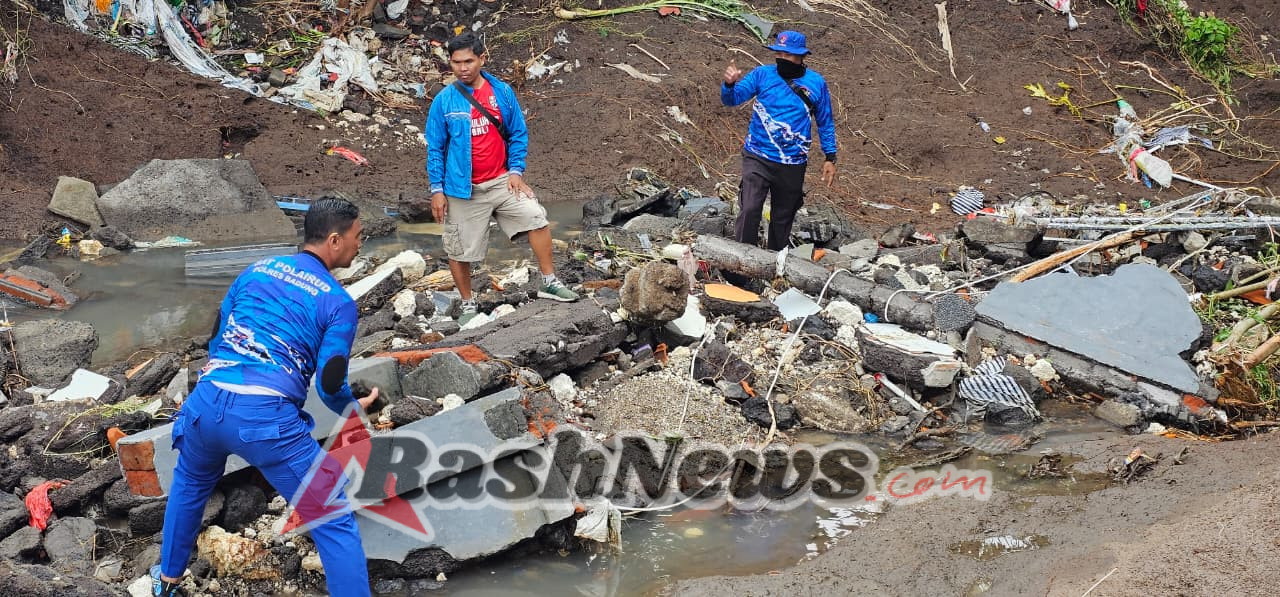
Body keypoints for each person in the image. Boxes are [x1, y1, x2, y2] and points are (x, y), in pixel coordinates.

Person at [152, 198, 379, 597]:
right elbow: (329, 384)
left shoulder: (256, 270)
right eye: (357, 236)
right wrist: (351, 410)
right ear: (334, 240)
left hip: (206, 404)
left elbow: (216, 337)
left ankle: (166, 582)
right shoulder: (338, 302)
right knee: (331, 517)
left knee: (190, 484)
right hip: (264, 419)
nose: (360, 244)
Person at [425, 32, 578, 327]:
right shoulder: (444, 101)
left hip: (502, 181)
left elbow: (518, 133)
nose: (463, 68)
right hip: (462, 188)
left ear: (482, 59)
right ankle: (468, 303)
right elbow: (435, 148)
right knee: (458, 249)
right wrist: (437, 190)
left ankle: (549, 282)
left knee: (536, 217)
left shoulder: (502, 93)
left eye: (469, 61)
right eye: (456, 63)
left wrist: (516, 171)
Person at [721, 29, 838, 251]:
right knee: (750, 208)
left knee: (782, 218)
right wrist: (729, 85)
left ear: (801, 56)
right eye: (779, 54)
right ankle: (742, 259)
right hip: (757, 155)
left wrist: (830, 156)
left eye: (788, 55)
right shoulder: (762, 75)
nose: (782, 59)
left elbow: (825, 122)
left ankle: (776, 261)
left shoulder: (816, 83)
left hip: (792, 163)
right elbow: (732, 99)